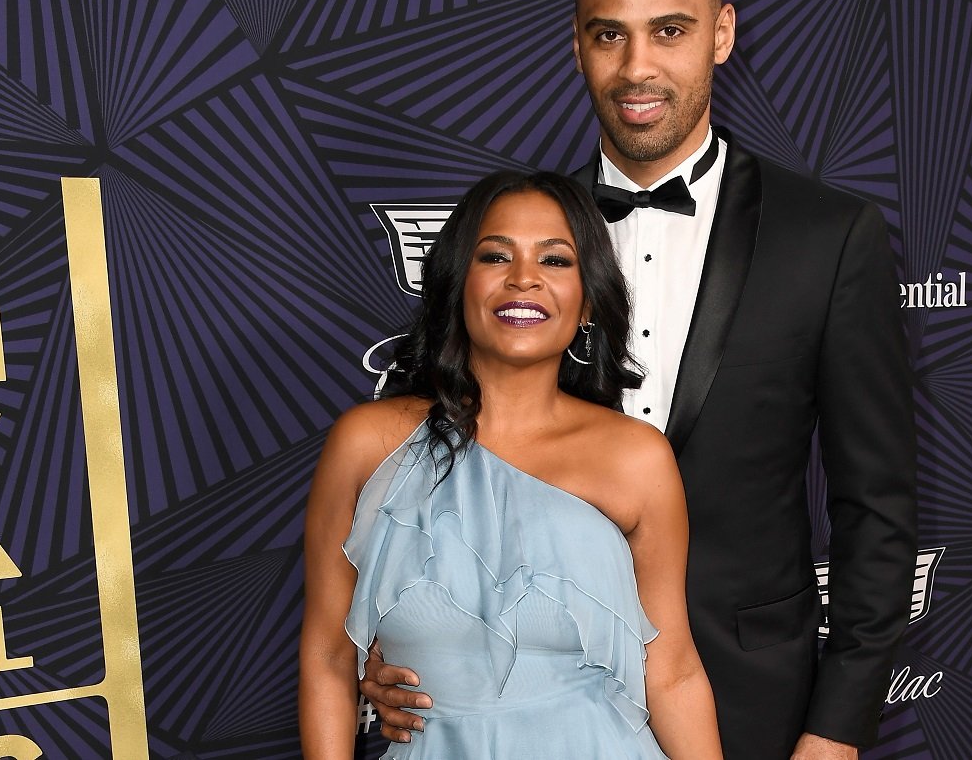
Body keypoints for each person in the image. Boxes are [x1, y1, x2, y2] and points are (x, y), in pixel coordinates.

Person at [360, 0, 918, 760]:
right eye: (608, 34)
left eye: (670, 31)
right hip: (527, 694)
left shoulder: (830, 237)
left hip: (748, 697)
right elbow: (427, 466)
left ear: (721, 35)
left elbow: (876, 509)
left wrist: (836, 731)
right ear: (577, 45)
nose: (638, 67)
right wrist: (386, 647)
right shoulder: (522, 243)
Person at [299, 171, 723, 759]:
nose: (524, 279)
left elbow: (671, 668)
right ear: (457, 284)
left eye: (555, 261)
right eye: (496, 255)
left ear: (588, 302)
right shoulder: (368, 444)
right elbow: (327, 655)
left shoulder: (636, 458)